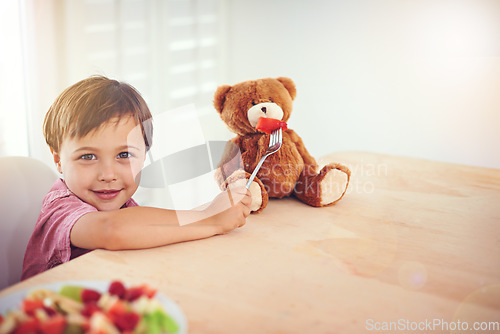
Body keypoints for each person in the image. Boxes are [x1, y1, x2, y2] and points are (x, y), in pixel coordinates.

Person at [21, 76, 252, 280]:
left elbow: (155, 231)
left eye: (124, 155)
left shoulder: (124, 205)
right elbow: (112, 231)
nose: (108, 175)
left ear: (144, 157)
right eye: (88, 156)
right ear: (59, 159)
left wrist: (219, 207)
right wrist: (211, 218)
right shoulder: (60, 208)